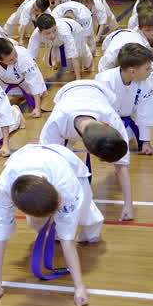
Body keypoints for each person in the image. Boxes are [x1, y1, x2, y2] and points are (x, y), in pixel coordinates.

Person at [0, 143, 102, 306]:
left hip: (65, 161)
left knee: (83, 216)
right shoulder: (3, 189)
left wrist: (80, 287)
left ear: (45, 180)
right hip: (25, 159)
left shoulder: (66, 182)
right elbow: (0, 235)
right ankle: (47, 221)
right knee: (39, 224)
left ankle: (93, 231)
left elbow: (68, 241)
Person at [38, 79, 134, 221]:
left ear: (106, 124)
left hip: (100, 90)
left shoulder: (111, 116)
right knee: (57, 162)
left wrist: (128, 204)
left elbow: (122, 164)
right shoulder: (56, 122)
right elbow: (46, 163)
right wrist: (52, 202)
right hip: (66, 90)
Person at [94, 44, 153, 156]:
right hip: (104, 124)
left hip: (127, 120)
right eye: (147, 68)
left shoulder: (145, 82)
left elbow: (145, 112)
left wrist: (146, 141)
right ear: (132, 72)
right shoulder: (104, 80)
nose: (151, 71)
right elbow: (100, 112)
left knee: (126, 140)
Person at [0, 37, 47, 117]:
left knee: (40, 94)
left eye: (15, 54)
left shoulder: (23, 55)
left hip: (26, 84)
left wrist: (37, 108)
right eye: (10, 60)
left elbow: (34, 80)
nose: (16, 59)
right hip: (5, 85)